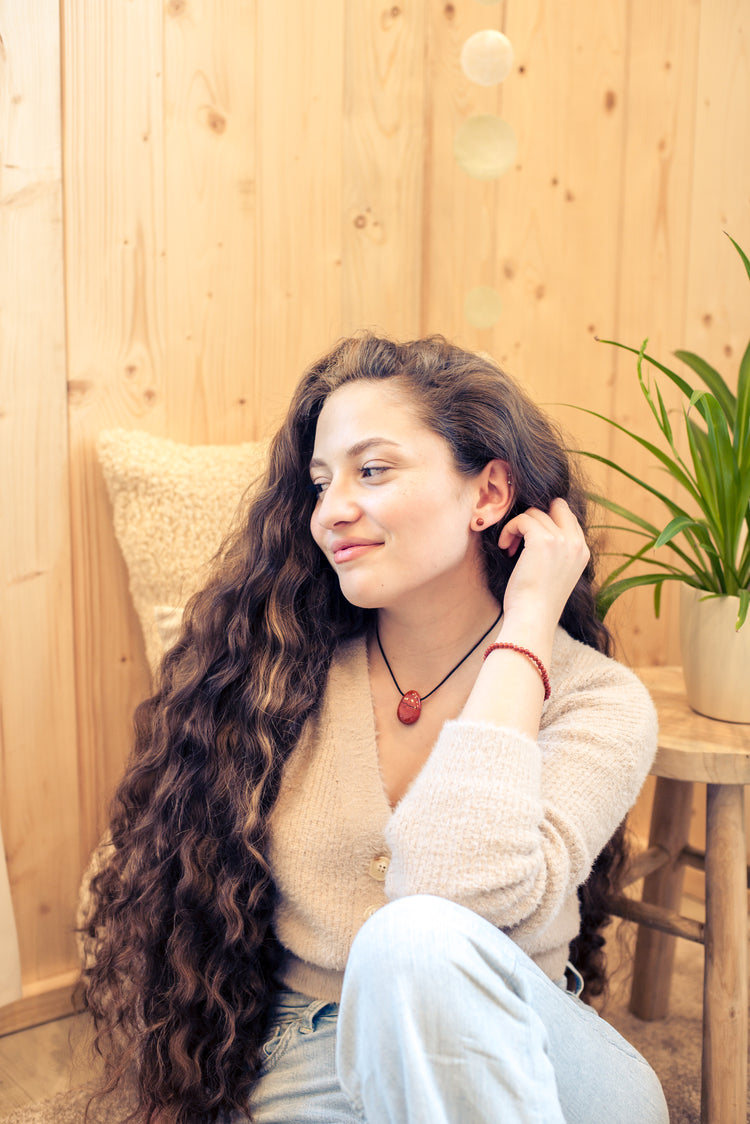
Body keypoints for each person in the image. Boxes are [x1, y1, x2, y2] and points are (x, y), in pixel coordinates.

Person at [81, 334, 669, 1124]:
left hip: (536, 1056)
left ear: (490, 493)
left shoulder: (599, 700)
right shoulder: (276, 679)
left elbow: (454, 901)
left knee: (416, 940)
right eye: (322, 483)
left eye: (373, 469)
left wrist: (528, 626)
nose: (332, 511)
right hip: (310, 1056)